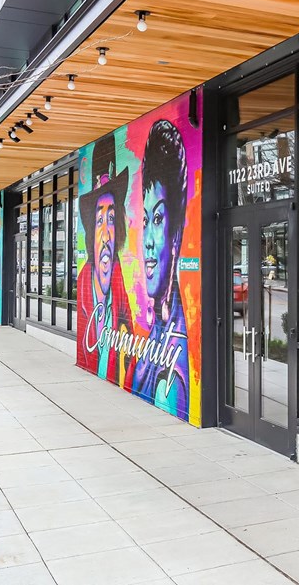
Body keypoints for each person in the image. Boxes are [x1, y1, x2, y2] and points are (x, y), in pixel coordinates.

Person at [125, 120, 190, 419]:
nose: (148, 242)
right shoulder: (157, 330)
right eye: (146, 219)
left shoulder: (174, 364)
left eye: (160, 219)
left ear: (175, 233)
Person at [77, 136, 135, 385]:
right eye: (99, 220)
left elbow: (131, 357)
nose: (105, 234)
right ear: (90, 230)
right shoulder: (83, 286)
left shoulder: (120, 284)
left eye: (111, 219)